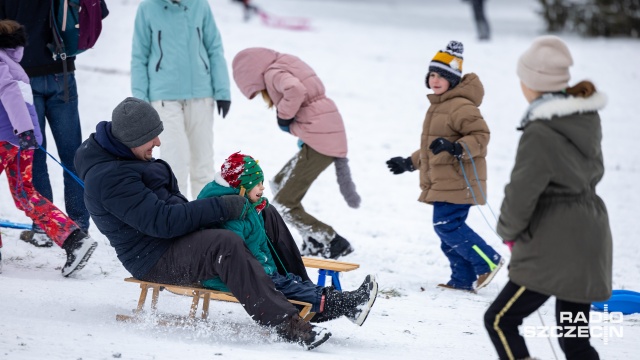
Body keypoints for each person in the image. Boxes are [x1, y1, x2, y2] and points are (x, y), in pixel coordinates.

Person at [74, 97, 332, 350]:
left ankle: (305, 297)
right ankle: (286, 323)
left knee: (263, 212)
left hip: (176, 239)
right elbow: (161, 222)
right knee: (225, 244)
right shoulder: (109, 179)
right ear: (130, 139)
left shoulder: (128, 157)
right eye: (150, 137)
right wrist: (220, 206)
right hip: (154, 257)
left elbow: (171, 211)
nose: (158, 142)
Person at [484, 35, 612, 360]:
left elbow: (522, 191)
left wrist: (508, 231)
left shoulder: (540, 131)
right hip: (589, 239)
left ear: (532, 83)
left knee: (500, 320)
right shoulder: (584, 119)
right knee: (574, 341)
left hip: (554, 248)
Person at [198, 152, 378, 326]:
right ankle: (347, 303)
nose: (262, 187)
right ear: (242, 188)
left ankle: (349, 307)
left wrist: (270, 267)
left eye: (262, 182)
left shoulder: (247, 207)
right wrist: (266, 270)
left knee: (295, 284)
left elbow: (258, 246)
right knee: (294, 289)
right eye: (257, 184)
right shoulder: (232, 217)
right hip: (241, 278)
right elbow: (238, 255)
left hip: (260, 270)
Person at [385, 41, 503, 292]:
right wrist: (408, 162)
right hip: (444, 181)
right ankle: (462, 279)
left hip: (459, 180)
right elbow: (433, 147)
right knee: (446, 232)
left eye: (442, 76)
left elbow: (481, 137)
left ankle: (488, 262)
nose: (435, 80)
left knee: (448, 228)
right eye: (432, 75)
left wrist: (457, 148)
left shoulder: (461, 106)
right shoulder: (439, 106)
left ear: (454, 79)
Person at [232, 47, 361, 260]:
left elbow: (295, 89)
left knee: (283, 202)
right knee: (278, 183)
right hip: (322, 134)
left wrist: (284, 117)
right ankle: (312, 239)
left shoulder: (273, 73)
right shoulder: (283, 63)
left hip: (322, 139)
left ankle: (332, 240)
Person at [0, 0, 104, 246]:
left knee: (32, 155)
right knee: (73, 155)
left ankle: (44, 230)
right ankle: (78, 225)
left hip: (20, 77)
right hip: (63, 72)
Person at [131, 0, 231, 200]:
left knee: (202, 164)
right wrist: (140, 102)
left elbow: (214, 47)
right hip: (164, 99)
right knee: (174, 164)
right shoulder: (147, 8)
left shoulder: (200, 5)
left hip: (201, 96)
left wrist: (222, 91)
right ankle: (179, 223)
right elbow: (139, 56)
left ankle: (207, 222)